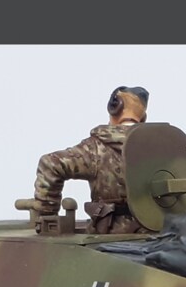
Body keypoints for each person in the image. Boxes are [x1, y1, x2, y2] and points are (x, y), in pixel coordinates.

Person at [31, 86, 150, 234]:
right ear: (143, 117)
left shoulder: (95, 148)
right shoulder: (160, 145)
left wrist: (47, 216)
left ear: (114, 108)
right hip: (157, 233)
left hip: (108, 235)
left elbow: (51, 163)